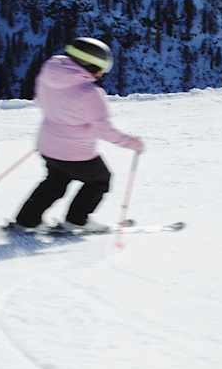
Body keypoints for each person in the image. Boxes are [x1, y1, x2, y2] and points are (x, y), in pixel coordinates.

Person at [10, 37, 144, 234]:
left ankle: (27, 220)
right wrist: (131, 143)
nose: (101, 74)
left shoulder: (48, 73)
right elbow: (103, 129)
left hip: (47, 145)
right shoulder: (89, 92)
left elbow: (40, 101)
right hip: (76, 153)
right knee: (99, 180)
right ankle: (76, 220)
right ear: (87, 64)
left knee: (55, 182)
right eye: (100, 68)